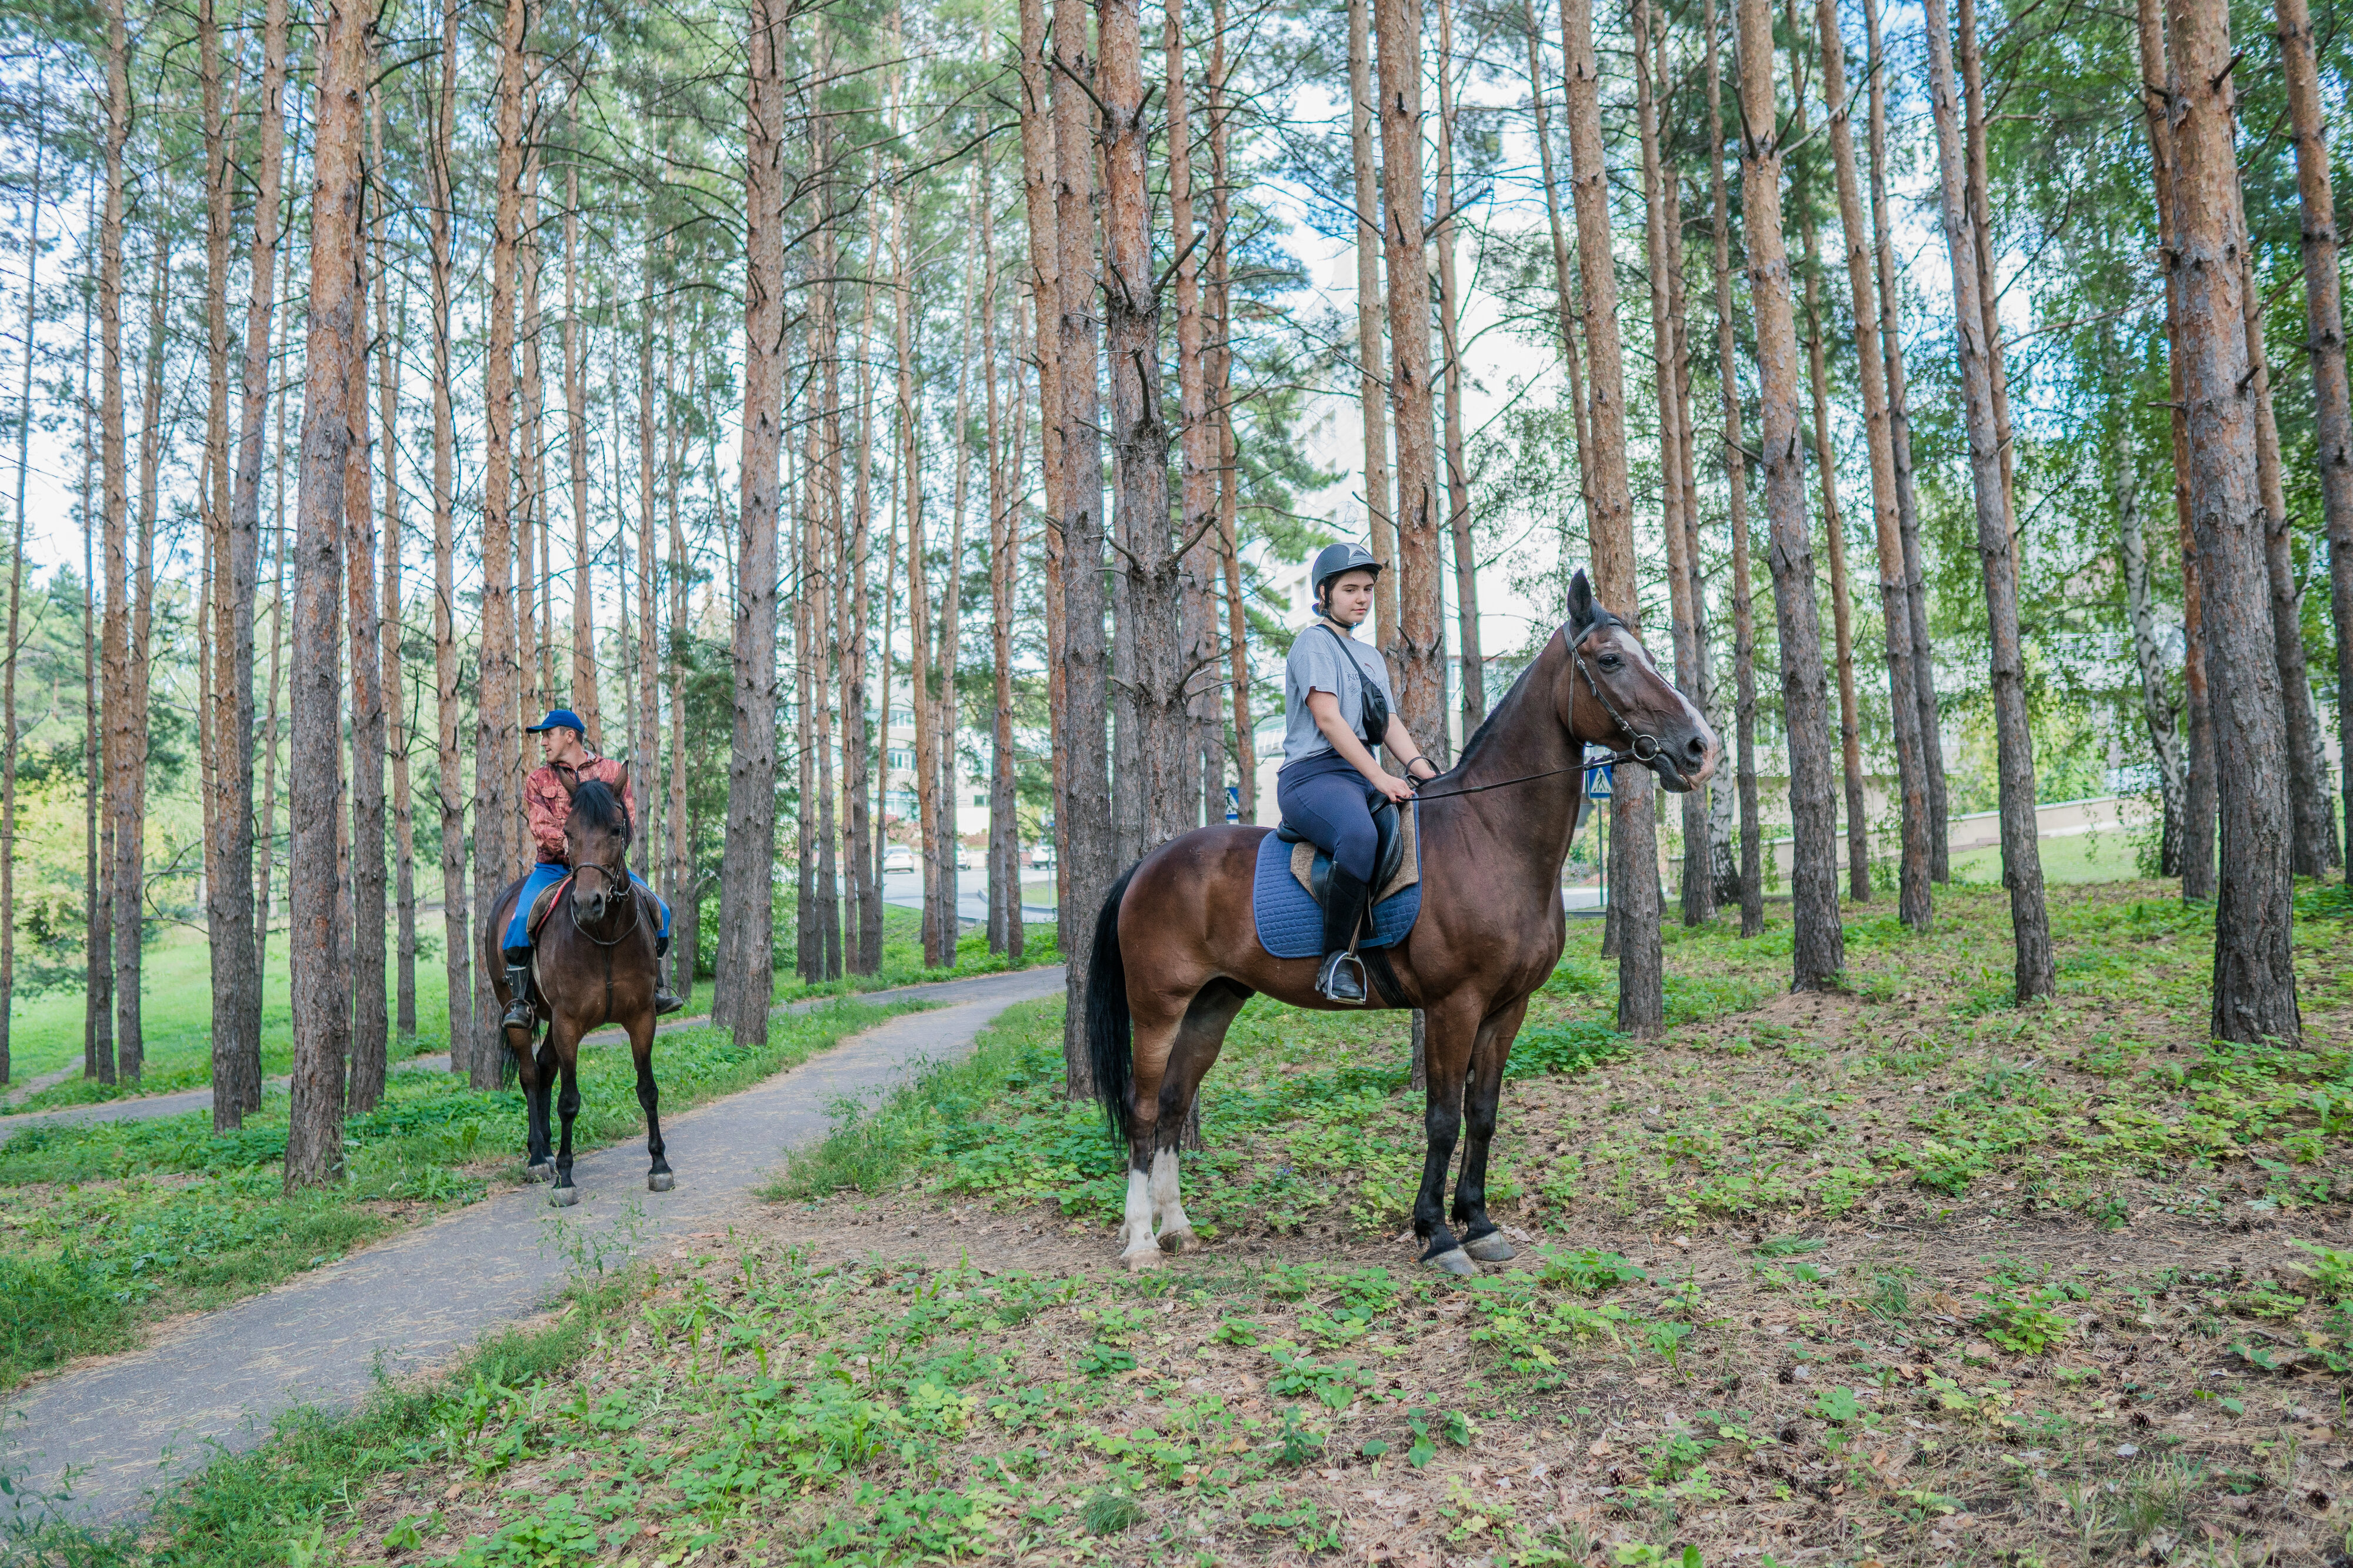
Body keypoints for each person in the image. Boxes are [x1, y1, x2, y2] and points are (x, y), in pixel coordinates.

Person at [1276, 542, 1442, 1003]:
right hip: (1311, 776)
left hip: (1355, 774)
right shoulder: (1313, 643)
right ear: (1325, 593)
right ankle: (1335, 961)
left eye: (1368, 589)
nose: (1362, 598)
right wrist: (1381, 778)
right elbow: (1328, 720)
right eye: (1350, 589)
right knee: (1359, 836)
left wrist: (1422, 772)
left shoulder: (1370, 656)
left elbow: (1388, 723)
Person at [500, 709, 682, 1029]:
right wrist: (573, 848)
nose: (543, 742)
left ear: (570, 735)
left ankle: (655, 988)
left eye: (548, 734)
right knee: (518, 924)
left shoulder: (612, 771)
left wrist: (597, 858)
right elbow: (540, 826)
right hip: (554, 868)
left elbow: (626, 821)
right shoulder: (538, 780)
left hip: (603, 868)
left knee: (661, 913)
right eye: (542, 736)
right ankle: (522, 1002)